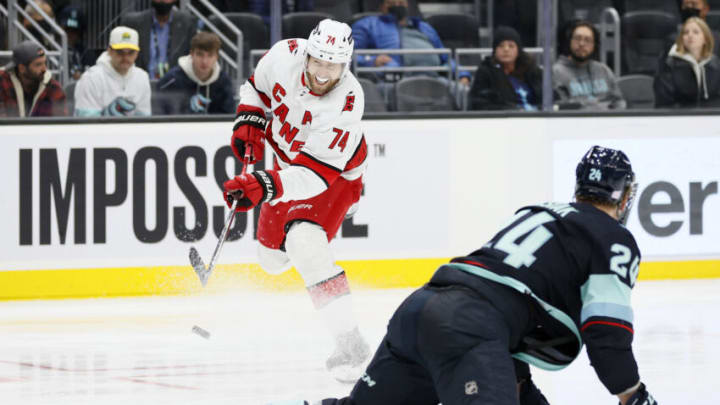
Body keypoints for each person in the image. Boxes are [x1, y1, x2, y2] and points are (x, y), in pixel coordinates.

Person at [271, 145, 658, 405]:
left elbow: (508, 303)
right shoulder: (613, 238)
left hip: (420, 310)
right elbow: (606, 330)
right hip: (469, 328)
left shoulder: (539, 211)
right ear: (625, 197)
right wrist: (632, 392)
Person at [222, 19, 370, 381]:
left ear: (345, 65)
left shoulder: (348, 102)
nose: (323, 73)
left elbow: (314, 176)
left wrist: (263, 185)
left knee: (304, 241)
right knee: (271, 260)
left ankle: (350, 341)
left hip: (331, 178)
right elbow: (256, 89)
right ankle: (308, 252)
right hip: (289, 164)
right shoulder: (283, 56)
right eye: (318, 61)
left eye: (333, 65)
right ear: (306, 54)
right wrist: (249, 120)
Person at [351, 0, 471, 86]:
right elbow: (349, 55)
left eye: (401, 4)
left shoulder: (423, 27)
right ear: (382, 6)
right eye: (392, 4)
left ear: (407, 5)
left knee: (461, 90)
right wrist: (372, 61)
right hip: (394, 81)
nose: (397, 6)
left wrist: (462, 74)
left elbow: (445, 57)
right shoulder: (367, 25)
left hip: (434, 78)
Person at [74, 26, 152, 117]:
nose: (125, 57)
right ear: (109, 51)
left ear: (137, 54)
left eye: (130, 52)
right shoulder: (90, 79)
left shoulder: (142, 77)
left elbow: (144, 121)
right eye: (120, 52)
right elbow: (87, 124)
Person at [155, 31, 235, 115]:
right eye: (200, 55)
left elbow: (228, 118)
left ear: (216, 57)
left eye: (210, 55)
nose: (205, 61)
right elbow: (161, 115)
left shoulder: (224, 82)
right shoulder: (171, 80)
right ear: (192, 54)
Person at [552, 20, 626, 110]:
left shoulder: (603, 70)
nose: (582, 44)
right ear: (569, 42)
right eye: (577, 38)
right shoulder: (556, 72)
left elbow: (619, 101)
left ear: (594, 45)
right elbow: (560, 108)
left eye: (587, 40)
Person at [469, 26, 542, 111]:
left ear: (518, 50)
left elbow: (552, 98)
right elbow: (479, 104)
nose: (506, 49)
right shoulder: (485, 73)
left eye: (511, 46)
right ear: (494, 51)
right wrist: (513, 110)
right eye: (501, 46)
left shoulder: (533, 71)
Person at [121, 0, 198, 80]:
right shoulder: (132, 23)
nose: (163, 1)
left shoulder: (188, 23)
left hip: (175, 86)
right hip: (140, 84)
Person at [655, 16, 720, 108]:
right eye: (686, 33)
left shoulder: (715, 64)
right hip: (679, 117)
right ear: (682, 39)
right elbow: (664, 101)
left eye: (696, 32)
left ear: (705, 39)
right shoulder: (669, 65)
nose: (690, 35)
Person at [0, 40, 68, 117]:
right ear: (22, 68)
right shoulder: (2, 81)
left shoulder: (52, 87)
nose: (44, 69)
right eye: (38, 64)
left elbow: (60, 124)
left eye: (44, 63)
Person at [57, 5, 95, 81]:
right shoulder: (53, 48)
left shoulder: (87, 53)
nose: (70, 34)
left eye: (74, 31)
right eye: (67, 29)